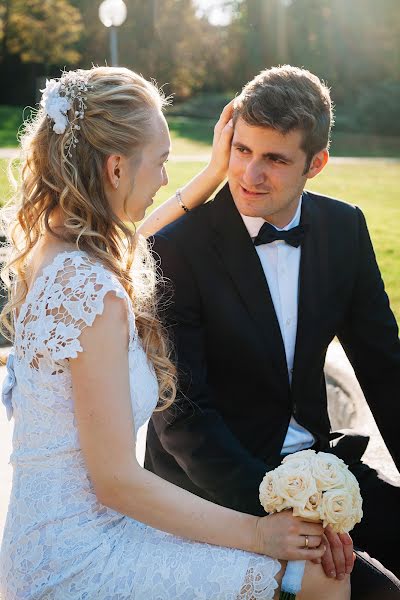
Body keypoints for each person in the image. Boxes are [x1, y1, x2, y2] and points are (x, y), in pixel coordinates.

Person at [0, 66, 349, 600]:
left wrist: (212, 174)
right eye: (161, 161)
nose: (165, 177)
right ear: (117, 168)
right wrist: (259, 532)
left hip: (49, 534)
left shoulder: (58, 252)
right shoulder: (95, 295)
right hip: (80, 557)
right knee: (321, 578)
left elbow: (134, 239)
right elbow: (115, 481)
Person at [145, 65, 400, 596]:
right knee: (374, 590)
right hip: (211, 490)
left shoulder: (343, 228)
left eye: (275, 159)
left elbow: (385, 368)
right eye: (242, 151)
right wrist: (271, 514)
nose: (250, 175)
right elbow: (182, 417)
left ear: (317, 163)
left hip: (320, 468)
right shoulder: (177, 247)